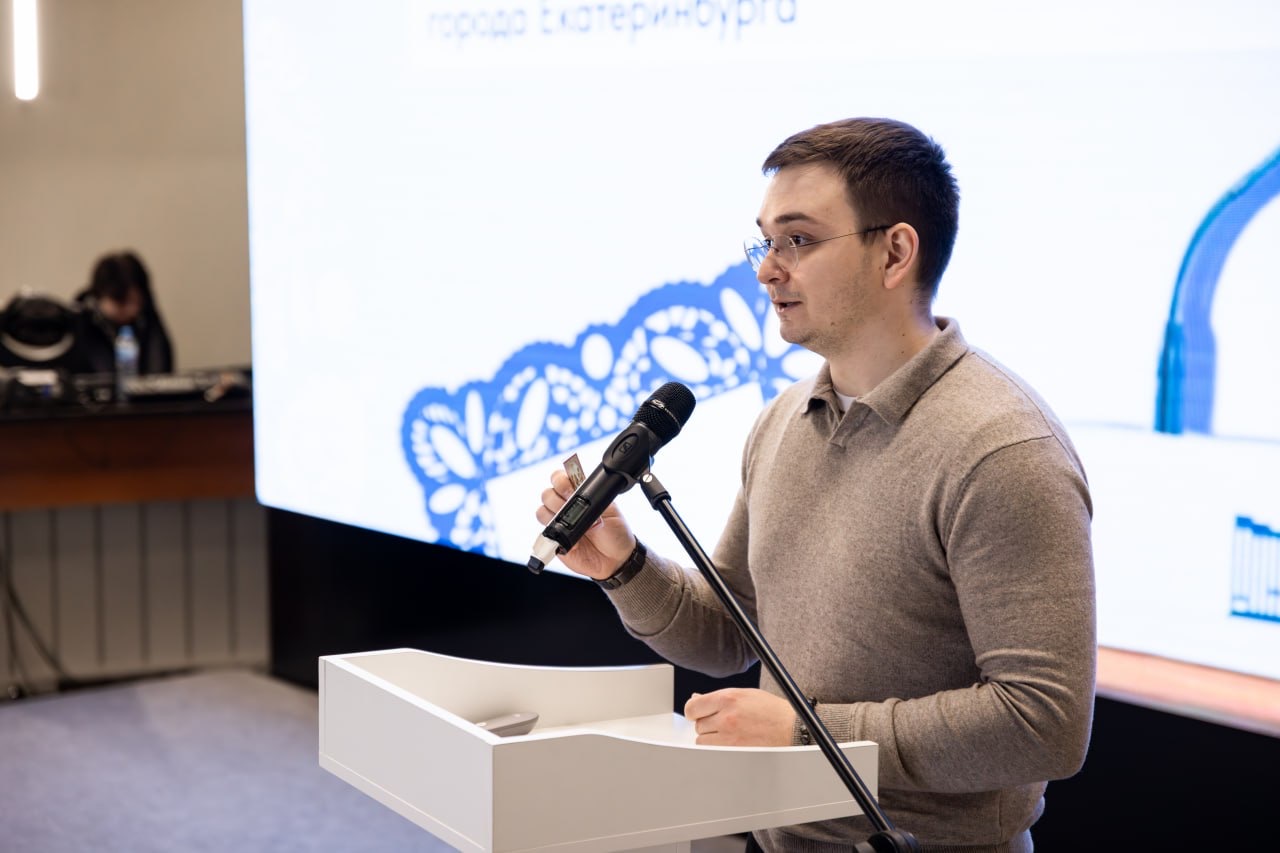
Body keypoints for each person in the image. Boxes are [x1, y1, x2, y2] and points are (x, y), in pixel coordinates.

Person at [535, 118, 1096, 852]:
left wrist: (808, 732)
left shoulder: (1001, 450)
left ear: (894, 252)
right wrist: (625, 566)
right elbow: (730, 631)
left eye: (797, 240)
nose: (767, 270)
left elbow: (1044, 723)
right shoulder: (784, 421)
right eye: (765, 242)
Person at [72, 250, 175, 375]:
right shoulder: (79, 324)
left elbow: (160, 369)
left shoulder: (145, 321)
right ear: (99, 296)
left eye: (137, 302)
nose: (132, 310)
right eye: (121, 302)